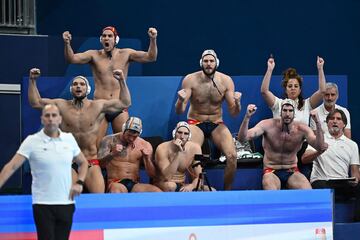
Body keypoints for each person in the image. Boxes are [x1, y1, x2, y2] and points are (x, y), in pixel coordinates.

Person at [28, 68, 131, 193]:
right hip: (68, 161)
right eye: (75, 84)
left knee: (99, 198)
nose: (78, 86)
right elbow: (35, 103)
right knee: (70, 197)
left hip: (90, 161)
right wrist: (32, 80)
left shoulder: (98, 106)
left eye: (82, 84)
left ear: (87, 89)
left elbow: (125, 102)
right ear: (71, 89)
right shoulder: (61, 105)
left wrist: (121, 81)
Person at [0, 104, 88, 240]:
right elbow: (11, 166)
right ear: (42, 119)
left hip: (67, 203)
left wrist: (80, 182)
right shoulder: (31, 141)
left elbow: (83, 162)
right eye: (47, 115)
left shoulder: (69, 139)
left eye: (54, 115)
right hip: (43, 204)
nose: (51, 119)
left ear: (60, 119)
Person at [63, 26, 158, 139]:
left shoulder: (126, 54)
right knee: (96, 144)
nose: (106, 38)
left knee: (123, 141)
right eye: (104, 36)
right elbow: (72, 59)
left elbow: (151, 57)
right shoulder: (93, 55)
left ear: (116, 39)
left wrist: (153, 39)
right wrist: (67, 43)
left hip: (119, 106)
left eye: (109, 36)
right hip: (100, 107)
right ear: (101, 39)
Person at [175, 49, 241, 190]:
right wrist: (180, 101)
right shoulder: (190, 79)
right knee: (192, 153)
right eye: (206, 61)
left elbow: (234, 113)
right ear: (201, 63)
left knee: (232, 156)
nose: (209, 64)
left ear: (216, 63)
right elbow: (179, 110)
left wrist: (238, 103)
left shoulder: (226, 80)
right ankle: (197, 186)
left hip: (216, 123)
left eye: (211, 61)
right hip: (195, 122)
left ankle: (227, 191)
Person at [237, 99, 327, 190]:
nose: (287, 114)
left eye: (290, 111)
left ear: (294, 113)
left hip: (292, 170)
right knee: (271, 192)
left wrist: (318, 123)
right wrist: (247, 117)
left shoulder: (302, 129)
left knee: (308, 191)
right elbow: (242, 138)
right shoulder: (267, 125)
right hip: (271, 170)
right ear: (280, 112)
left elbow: (319, 146)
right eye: (285, 110)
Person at [302, 109, 360, 221]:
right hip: (322, 180)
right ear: (327, 123)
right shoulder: (318, 139)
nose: (335, 121)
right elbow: (304, 159)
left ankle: (356, 222)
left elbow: (355, 172)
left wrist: (355, 180)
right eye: (332, 119)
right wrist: (319, 151)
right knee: (321, 186)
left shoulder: (352, 145)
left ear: (344, 124)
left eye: (338, 119)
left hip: (342, 182)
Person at [98, 117, 162, 193]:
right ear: (123, 129)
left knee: (156, 192)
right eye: (129, 135)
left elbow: (152, 175)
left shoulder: (145, 145)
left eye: (135, 136)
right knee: (116, 191)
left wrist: (147, 159)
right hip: (116, 182)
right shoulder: (109, 140)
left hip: (135, 184)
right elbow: (100, 165)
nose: (131, 139)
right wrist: (112, 154)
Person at [261, 56, 326, 125]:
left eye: (296, 86)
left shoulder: (307, 105)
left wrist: (320, 69)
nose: (293, 88)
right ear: (285, 89)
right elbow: (264, 91)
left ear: (300, 90)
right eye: (290, 86)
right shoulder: (278, 104)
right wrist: (269, 69)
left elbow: (322, 91)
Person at [153, 121, 213, 192]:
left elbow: (199, 177)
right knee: (171, 186)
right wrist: (178, 153)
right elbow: (167, 177)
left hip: (182, 185)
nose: (182, 137)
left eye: (186, 134)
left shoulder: (195, 148)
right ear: (174, 133)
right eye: (179, 132)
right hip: (163, 183)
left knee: (212, 190)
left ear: (189, 136)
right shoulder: (162, 148)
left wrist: (191, 186)